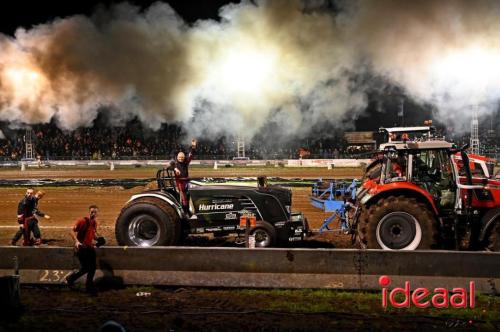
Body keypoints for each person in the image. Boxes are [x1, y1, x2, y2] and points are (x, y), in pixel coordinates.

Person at [65, 205, 101, 295]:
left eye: (95, 212)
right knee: (88, 268)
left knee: (90, 268)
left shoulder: (94, 223)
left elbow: (93, 235)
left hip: (90, 248)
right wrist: (76, 241)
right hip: (82, 248)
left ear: (97, 213)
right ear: (89, 212)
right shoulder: (82, 221)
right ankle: (87, 286)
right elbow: (72, 231)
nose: (93, 213)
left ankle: (76, 281)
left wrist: (99, 239)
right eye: (92, 212)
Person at [170, 139, 197, 214]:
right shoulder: (174, 163)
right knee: (183, 198)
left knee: (188, 196)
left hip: (186, 182)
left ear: (184, 157)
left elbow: (191, 155)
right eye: (179, 157)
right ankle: (185, 212)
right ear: (177, 157)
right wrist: (175, 169)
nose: (181, 159)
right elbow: (169, 166)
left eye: (182, 157)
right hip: (180, 183)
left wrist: (193, 146)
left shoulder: (186, 162)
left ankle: (187, 210)